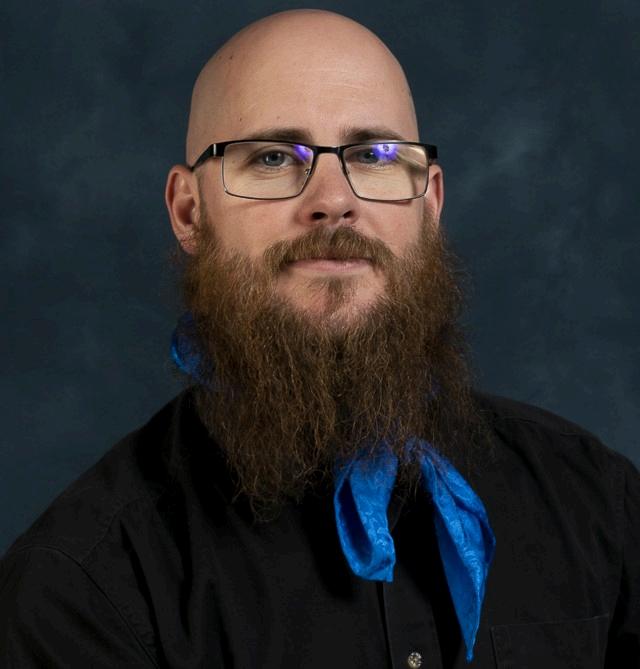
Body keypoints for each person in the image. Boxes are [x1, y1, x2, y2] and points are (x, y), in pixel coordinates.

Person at [0, 9, 638, 668]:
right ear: (189, 212)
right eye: (273, 157)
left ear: (429, 205)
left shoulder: (597, 503)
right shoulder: (82, 590)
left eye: (375, 155)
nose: (333, 200)